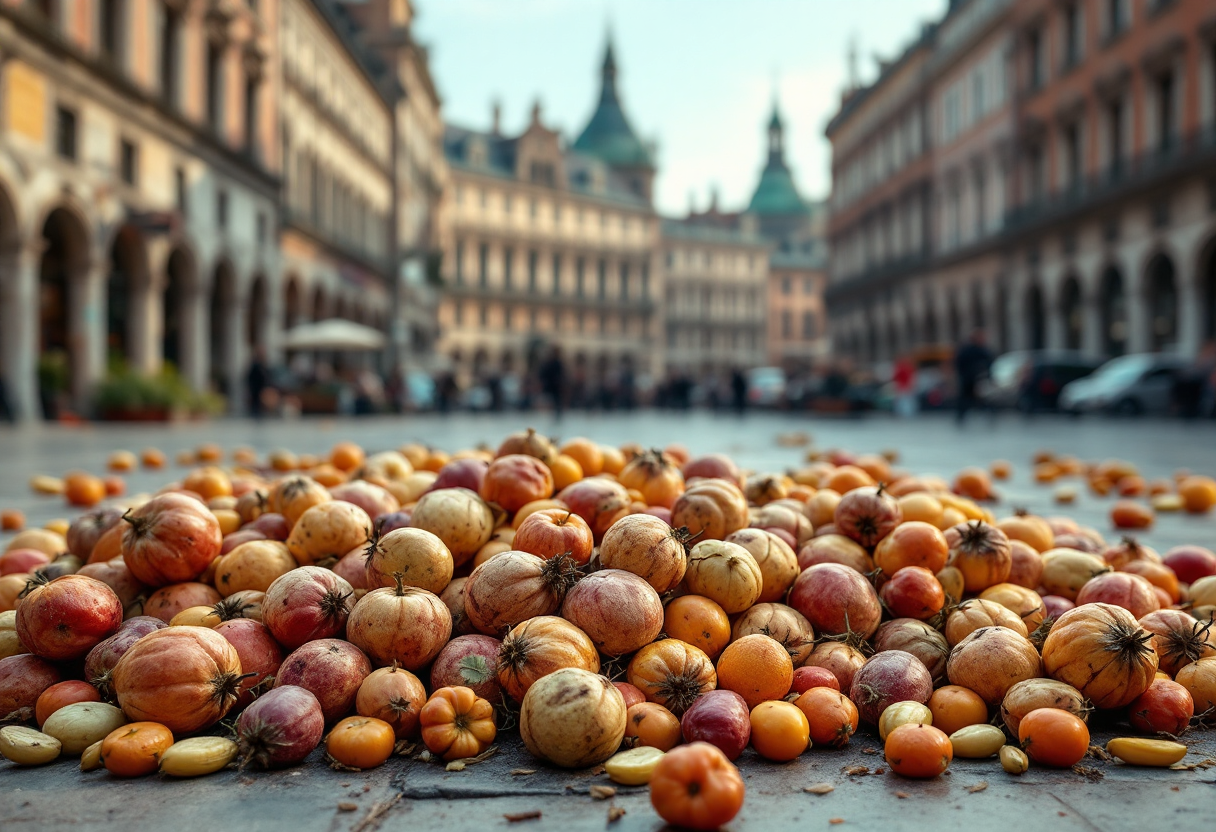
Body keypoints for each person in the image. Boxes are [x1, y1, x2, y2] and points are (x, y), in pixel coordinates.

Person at [954, 329, 993, 424]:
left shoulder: (969, 350)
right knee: (974, 399)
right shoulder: (977, 350)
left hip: (973, 379)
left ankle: (961, 416)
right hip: (973, 379)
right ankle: (962, 416)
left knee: (975, 399)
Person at [538, 346, 566, 419]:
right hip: (553, 385)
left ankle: (557, 413)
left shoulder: (555, 362)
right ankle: (554, 413)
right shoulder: (552, 362)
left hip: (555, 385)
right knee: (554, 400)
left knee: (556, 400)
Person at [246, 349, 270, 419]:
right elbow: (250, 378)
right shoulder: (255, 366)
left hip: (261, 389)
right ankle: (255, 416)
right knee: (255, 404)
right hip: (255, 389)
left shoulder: (262, 365)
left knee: (260, 404)